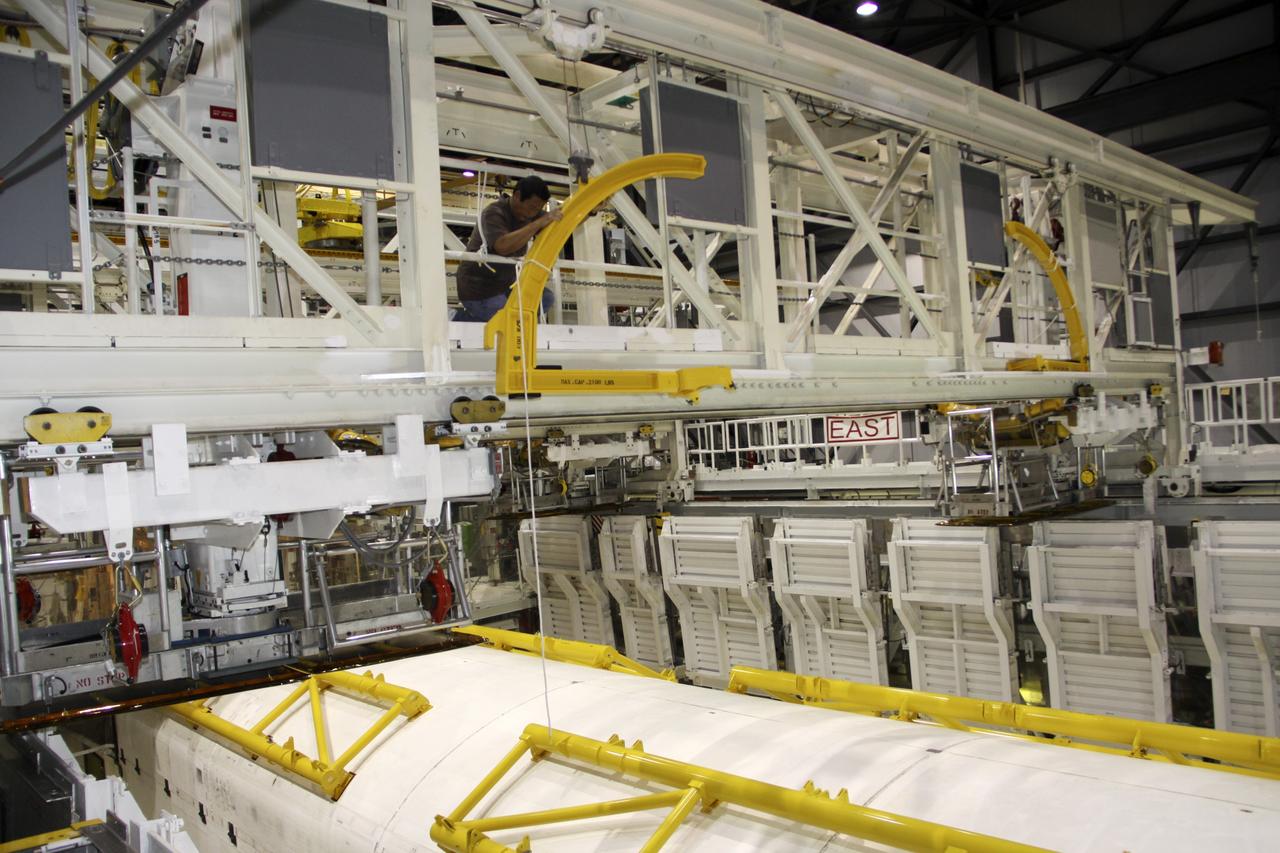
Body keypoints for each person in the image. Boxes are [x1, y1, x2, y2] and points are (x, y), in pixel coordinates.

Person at [456, 175, 562, 322]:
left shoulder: (531, 213)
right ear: (517, 196)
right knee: (507, 317)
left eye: (539, 209)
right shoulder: (493, 213)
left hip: (505, 286)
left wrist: (589, 212)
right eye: (532, 207)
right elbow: (502, 246)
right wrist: (539, 222)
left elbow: (563, 221)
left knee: (545, 298)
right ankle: (457, 318)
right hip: (479, 289)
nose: (534, 213)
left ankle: (487, 320)